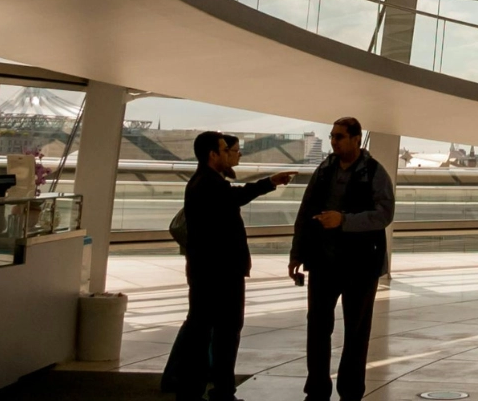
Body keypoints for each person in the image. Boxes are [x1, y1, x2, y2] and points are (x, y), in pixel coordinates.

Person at [162, 132, 294, 401]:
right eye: (226, 149)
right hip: (220, 273)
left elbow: (234, 196)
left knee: (205, 331)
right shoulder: (209, 184)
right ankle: (217, 392)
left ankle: (202, 390)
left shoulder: (203, 182)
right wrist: (268, 182)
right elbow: (237, 197)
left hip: (207, 271)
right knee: (223, 333)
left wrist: (268, 182)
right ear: (213, 154)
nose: (232, 154)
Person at [290, 117, 394, 401]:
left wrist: (343, 220)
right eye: (332, 136)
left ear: (356, 140)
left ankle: (350, 392)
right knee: (318, 326)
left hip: (361, 266)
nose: (333, 141)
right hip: (324, 262)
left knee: (357, 331)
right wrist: (297, 253)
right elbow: (306, 210)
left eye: (339, 137)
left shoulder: (374, 172)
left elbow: (384, 214)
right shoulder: (324, 170)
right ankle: (317, 389)